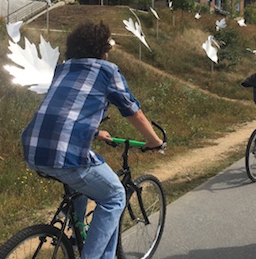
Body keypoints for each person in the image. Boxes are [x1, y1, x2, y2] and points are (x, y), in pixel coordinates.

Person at [21, 21, 164, 259]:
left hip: (33, 146)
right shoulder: (107, 71)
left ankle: (78, 237)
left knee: (83, 188)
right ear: (101, 49)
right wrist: (154, 141)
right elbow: (133, 112)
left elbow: (66, 110)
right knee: (114, 196)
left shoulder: (63, 68)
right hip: (64, 153)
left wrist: (96, 132)